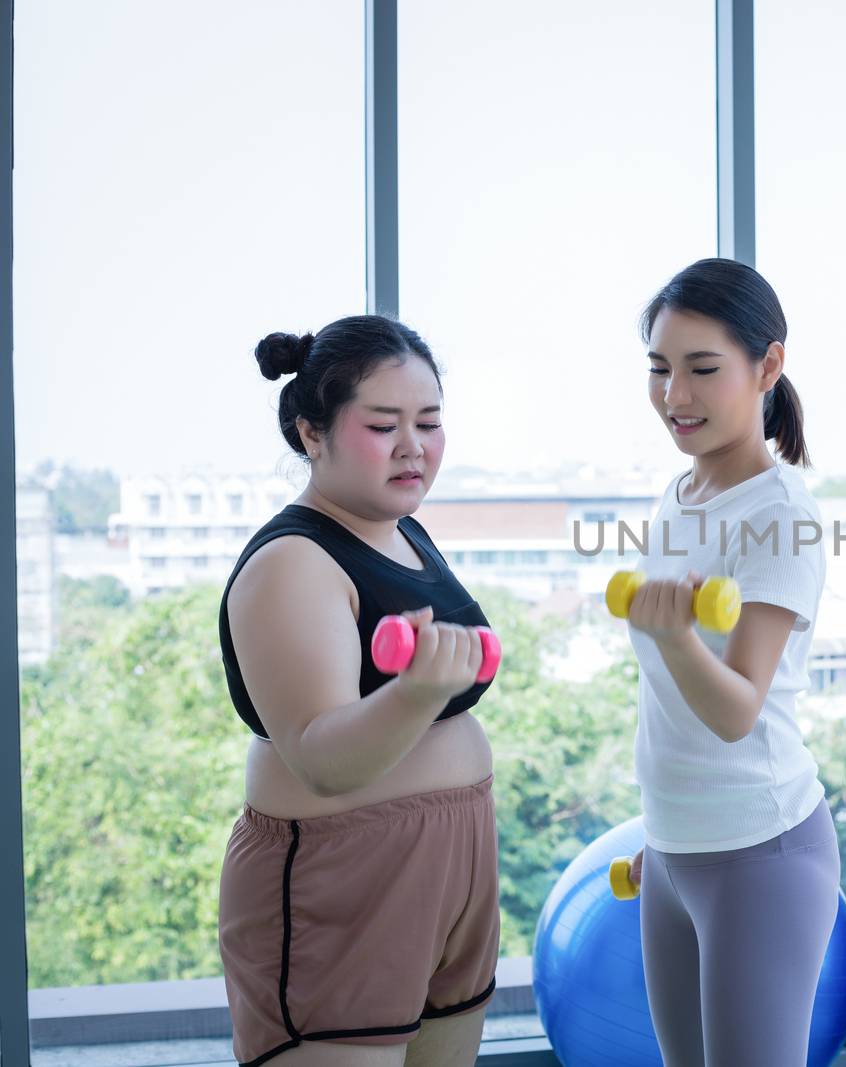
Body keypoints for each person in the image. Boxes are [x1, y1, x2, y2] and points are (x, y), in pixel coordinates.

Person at [217, 316, 499, 1067]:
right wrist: (414, 695)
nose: (415, 444)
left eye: (430, 421)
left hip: (453, 871)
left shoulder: (405, 530)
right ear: (313, 433)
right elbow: (319, 755)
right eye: (385, 424)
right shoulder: (292, 562)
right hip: (341, 885)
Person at [622, 258, 838, 1067]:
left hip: (761, 854)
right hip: (676, 847)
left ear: (767, 366)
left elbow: (736, 707)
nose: (676, 395)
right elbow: (665, 701)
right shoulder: (677, 495)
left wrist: (677, 636)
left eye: (702, 369)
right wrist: (667, 823)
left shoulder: (780, 516)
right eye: (660, 368)